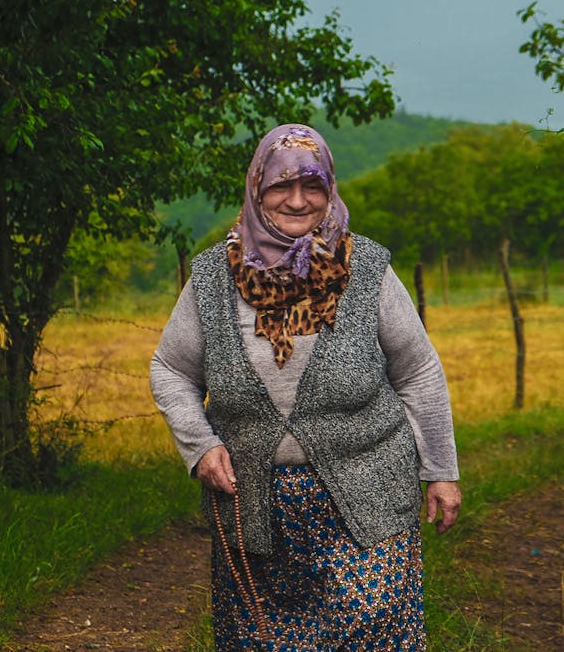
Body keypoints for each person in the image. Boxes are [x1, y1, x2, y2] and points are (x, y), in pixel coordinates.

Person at [150, 123, 461, 651]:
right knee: (265, 640)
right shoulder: (210, 277)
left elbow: (418, 371)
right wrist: (199, 446)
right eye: (280, 186)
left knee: (373, 631)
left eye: (312, 186)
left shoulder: (366, 269)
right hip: (254, 505)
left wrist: (441, 471)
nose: (297, 201)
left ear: (330, 189)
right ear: (256, 188)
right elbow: (171, 370)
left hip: (370, 490)